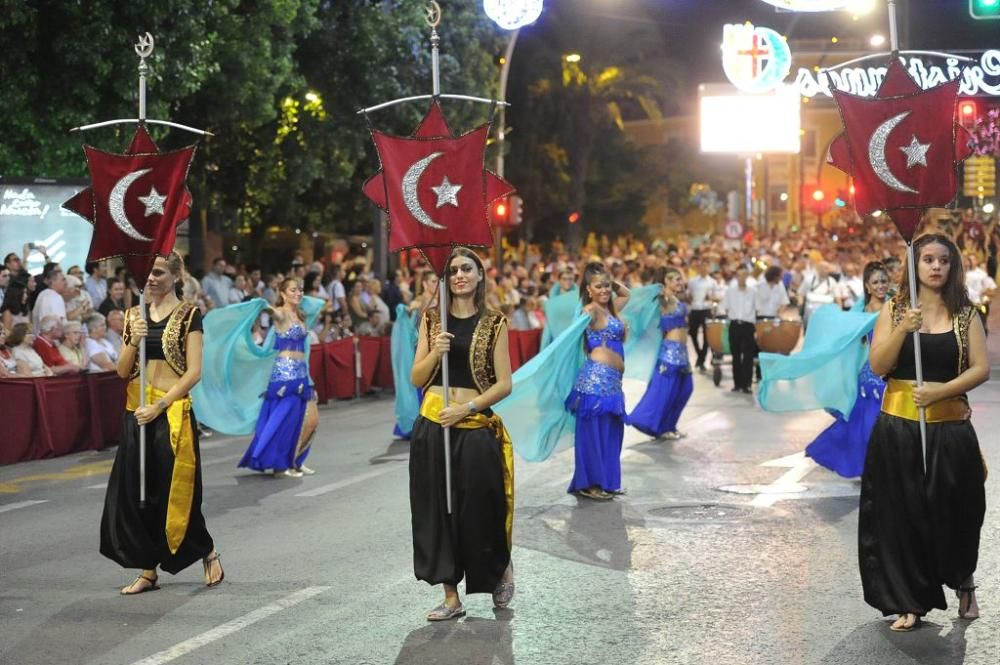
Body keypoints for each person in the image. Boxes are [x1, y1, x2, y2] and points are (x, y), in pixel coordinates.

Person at [861, 233, 987, 632]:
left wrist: (940, 391)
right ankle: (910, 600)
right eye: (928, 259)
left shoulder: (967, 315)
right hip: (898, 429)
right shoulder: (896, 309)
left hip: (950, 431)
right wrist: (903, 329)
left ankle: (963, 580)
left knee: (958, 513)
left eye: (943, 260)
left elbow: (979, 369)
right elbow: (879, 366)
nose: (936, 266)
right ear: (914, 266)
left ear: (953, 267)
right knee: (902, 516)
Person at [100, 252, 223, 594]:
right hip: (136, 413)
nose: (150, 279)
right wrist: (133, 339)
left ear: (176, 275)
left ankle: (207, 550)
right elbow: (122, 371)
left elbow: (194, 371)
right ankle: (147, 570)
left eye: (157, 272)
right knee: (138, 495)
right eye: (146, 273)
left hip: (170, 415)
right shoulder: (133, 316)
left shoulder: (189, 315)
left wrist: (161, 405)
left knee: (175, 494)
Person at [409, 247, 515, 620]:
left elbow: (505, 384)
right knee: (438, 511)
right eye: (452, 270)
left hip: (473, 425)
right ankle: (450, 597)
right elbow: (416, 378)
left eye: (466, 268)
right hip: (433, 425)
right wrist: (435, 354)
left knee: (481, 509)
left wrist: (468, 408)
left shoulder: (496, 322)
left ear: (480, 275)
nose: (459, 275)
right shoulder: (432, 320)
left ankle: (499, 563)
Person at [803, 262, 889, 477]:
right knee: (866, 425)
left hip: (892, 373)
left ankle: (882, 467)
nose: (880, 286)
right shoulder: (861, 312)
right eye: (875, 282)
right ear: (867, 287)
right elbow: (846, 341)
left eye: (884, 281)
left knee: (886, 425)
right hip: (869, 378)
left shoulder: (895, 306)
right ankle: (869, 467)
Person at [236, 278, 320, 478]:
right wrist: (263, 305)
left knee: (310, 420)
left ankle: (295, 460)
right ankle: (281, 466)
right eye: (293, 290)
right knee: (287, 420)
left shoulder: (300, 315)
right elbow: (270, 311)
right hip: (284, 374)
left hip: (301, 372)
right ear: (282, 293)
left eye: (300, 290)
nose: (298, 293)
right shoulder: (281, 314)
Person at [566, 262, 631, 500]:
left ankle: (608, 481)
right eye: (598, 286)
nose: (604, 290)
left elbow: (626, 293)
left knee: (612, 432)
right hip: (594, 384)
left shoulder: (612, 308)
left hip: (613, 385)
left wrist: (608, 280)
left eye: (606, 286)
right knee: (593, 435)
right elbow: (572, 336)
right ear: (588, 289)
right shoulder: (589, 311)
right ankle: (590, 483)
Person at [628, 267, 692, 441]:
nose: (680, 282)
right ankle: (658, 426)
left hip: (683, 352)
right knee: (666, 391)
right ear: (666, 282)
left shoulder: (677, 300)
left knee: (685, 389)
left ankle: (670, 426)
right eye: (675, 279)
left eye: (680, 279)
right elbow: (637, 301)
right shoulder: (663, 300)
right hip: (670, 352)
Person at [723, 266, 756, 394]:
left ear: (747, 277)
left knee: (748, 356)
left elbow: (756, 308)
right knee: (735, 355)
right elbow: (725, 307)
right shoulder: (730, 291)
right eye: (739, 275)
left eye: (744, 275)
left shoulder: (753, 292)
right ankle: (737, 384)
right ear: (736, 277)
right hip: (735, 325)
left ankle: (746, 384)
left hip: (748, 325)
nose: (741, 278)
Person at [687, 259, 714, 371]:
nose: (704, 269)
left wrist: (711, 298)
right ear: (699, 268)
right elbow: (688, 295)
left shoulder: (712, 282)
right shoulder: (692, 281)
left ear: (709, 268)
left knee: (707, 336)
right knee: (692, 333)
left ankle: (701, 359)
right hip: (695, 309)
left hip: (706, 309)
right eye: (702, 266)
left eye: (706, 266)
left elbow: (717, 296)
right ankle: (700, 355)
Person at [31, 263, 68, 331]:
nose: (66, 283)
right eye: (63, 280)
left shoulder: (44, 294)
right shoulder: (53, 297)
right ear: (53, 282)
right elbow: (59, 323)